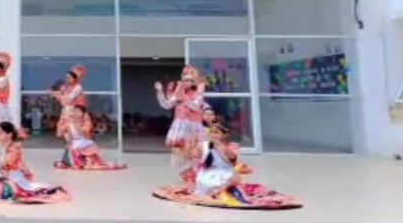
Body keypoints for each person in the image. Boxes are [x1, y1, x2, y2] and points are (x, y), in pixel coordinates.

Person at [152, 122, 300, 210]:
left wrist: (217, 145)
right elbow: (190, 156)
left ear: (224, 135)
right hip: (208, 175)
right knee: (211, 182)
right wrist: (183, 146)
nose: (213, 134)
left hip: (226, 173)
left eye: (217, 132)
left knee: (233, 180)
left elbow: (232, 157)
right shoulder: (205, 145)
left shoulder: (229, 146)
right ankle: (215, 191)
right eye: (212, 131)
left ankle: (224, 192)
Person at [155, 65, 208, 183]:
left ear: (193, 82)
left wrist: (183, 97)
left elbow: (195, 106)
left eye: (189, 80)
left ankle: (196, 172)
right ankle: (188, 173)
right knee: (181, 152)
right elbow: (166, 104)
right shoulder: (179, 94)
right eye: (185, 80)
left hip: (193, 127)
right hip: (180, 127)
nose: (186, 83)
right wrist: (160, 91)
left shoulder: (197, 94)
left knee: (195, 150)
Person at [53, 105, 126, 171]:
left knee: (95, 162)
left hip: (87, 145)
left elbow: (83, 132)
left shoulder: (87, 122)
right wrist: (61, 123)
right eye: (74, 111)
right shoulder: (69, 123)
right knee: (75, 154)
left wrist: (74, 123)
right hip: (75, 147)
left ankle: (85, 161)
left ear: (83, 114)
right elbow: (59, 134)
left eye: (78, 111)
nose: (76, 113)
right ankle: (72, 162)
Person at [50, 65, 88, 137]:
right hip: (67, 111)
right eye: (66, 77)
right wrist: (56, 93)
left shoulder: (78, 87)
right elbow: (64, 99)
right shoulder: (67, 88)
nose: (67, 79)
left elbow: (68, 99)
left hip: (74, 111)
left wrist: (58, 95)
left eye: (69, 77)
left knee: (75, 132)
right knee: (64, 132)